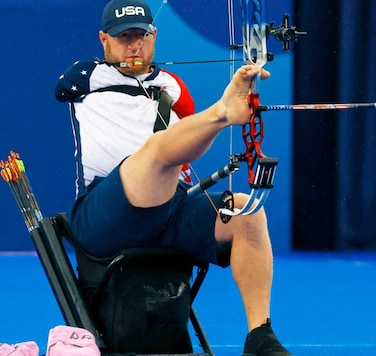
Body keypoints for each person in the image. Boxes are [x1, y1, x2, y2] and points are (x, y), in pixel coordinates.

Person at [55, 0, 292, 355]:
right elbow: (62, 87)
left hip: (169, 208)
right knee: (154, 153)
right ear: (103, 39)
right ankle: (221, 110)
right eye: (123, 38)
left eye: (142, 36)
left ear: (155, 35)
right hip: (103, 214)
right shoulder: (87, 77)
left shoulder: (172, 86)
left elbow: (188, 141)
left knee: (246, 212)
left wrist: (224, 117)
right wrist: (222, 112)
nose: (134, 46)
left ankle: (260, 335)